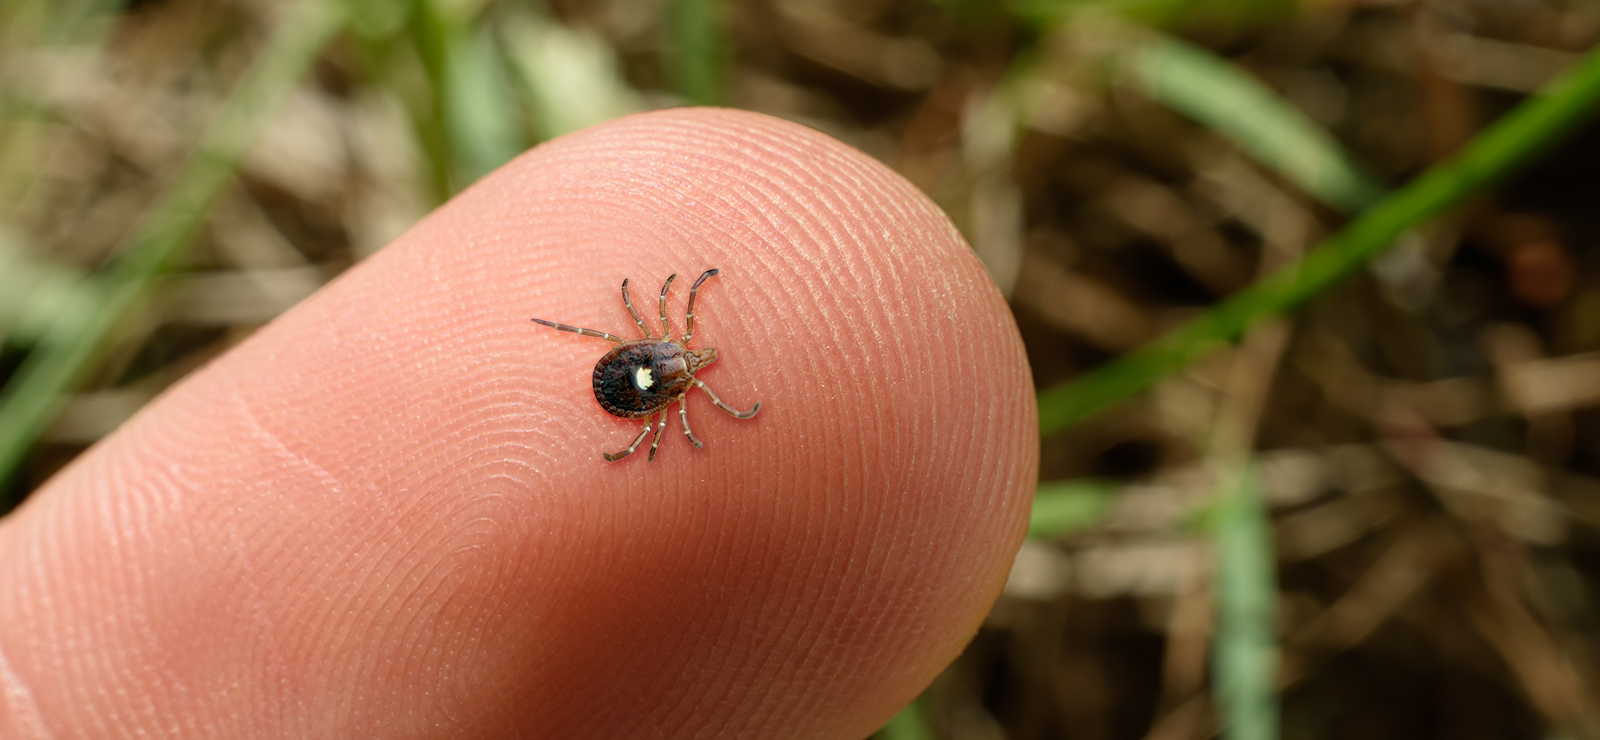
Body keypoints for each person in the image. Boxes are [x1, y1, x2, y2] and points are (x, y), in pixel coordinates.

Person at [0, 108, 1035, 738]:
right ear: (673, 353)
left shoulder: (668, 373)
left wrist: (669, 397)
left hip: (610, 376)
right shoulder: (671, 376)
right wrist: (674, 402)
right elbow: (666, 356)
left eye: (682, 369)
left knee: (647, 354)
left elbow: (662, 346)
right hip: (611, 375)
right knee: (652, 359)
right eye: (685, 360)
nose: (689, 363)